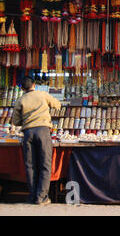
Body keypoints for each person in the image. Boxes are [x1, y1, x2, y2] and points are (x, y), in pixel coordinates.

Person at [12, 76, 61, 205]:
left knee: (30, 165)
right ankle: (42, 197)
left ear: (22, 88)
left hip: (28, 133)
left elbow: (16, 121)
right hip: (43, 131)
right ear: (34, 85)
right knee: (45, 164)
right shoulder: (42, 95)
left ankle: (33, 195)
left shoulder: (20, 100)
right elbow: (57, 105)